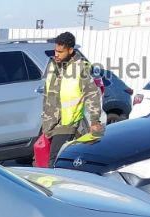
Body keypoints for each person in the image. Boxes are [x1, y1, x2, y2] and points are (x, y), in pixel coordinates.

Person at [39, 32, 103, 167]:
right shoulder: (52, 64)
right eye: (56, 50)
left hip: (67, 123)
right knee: (43, 159)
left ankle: (54, 188)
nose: (56, 54)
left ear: (70, 50)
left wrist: (94, 120)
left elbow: (92, 94)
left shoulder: (80, 68)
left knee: (54, 161)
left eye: (60, 52)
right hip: (50, 122)